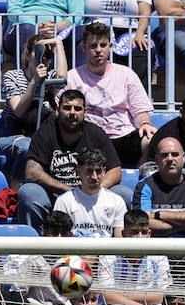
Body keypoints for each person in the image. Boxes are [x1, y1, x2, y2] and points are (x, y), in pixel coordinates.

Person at [20, 87, 122, 231]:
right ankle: (38, 246)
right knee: (29, 192)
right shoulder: (45, 132)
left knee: (124, 193)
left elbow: (116, 171)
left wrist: (92, 191)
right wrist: (72, 191)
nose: (72, 113)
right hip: (55, 193)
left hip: (92, 190)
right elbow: (32, 172)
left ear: (85, 112)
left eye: (77, 108)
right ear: (57, 110)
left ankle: (114, 249)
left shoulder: (96, 133)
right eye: (67, 108)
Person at [66, 21, 156, 167]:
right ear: (84, 48)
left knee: (151, 139)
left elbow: (140, 111)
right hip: (90, 138)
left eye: (103, 45)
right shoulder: (73, 76)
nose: (98, 50)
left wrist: (145, 124)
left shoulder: (126, 74)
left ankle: (140, 180)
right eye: (93, 46)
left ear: (111, 46)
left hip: (123, 136)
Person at [0, 32, 67, 182]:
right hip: (12, 133)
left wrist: (58, 43)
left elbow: (61, 77)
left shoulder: (49, 76)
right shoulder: (12, 76)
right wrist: (35, 82)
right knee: (28, 146)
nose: (44, 59)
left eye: (48, 55)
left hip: (40, 131)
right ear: (28, 55)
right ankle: (15, 192)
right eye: (39, 52)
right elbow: (19, 111)